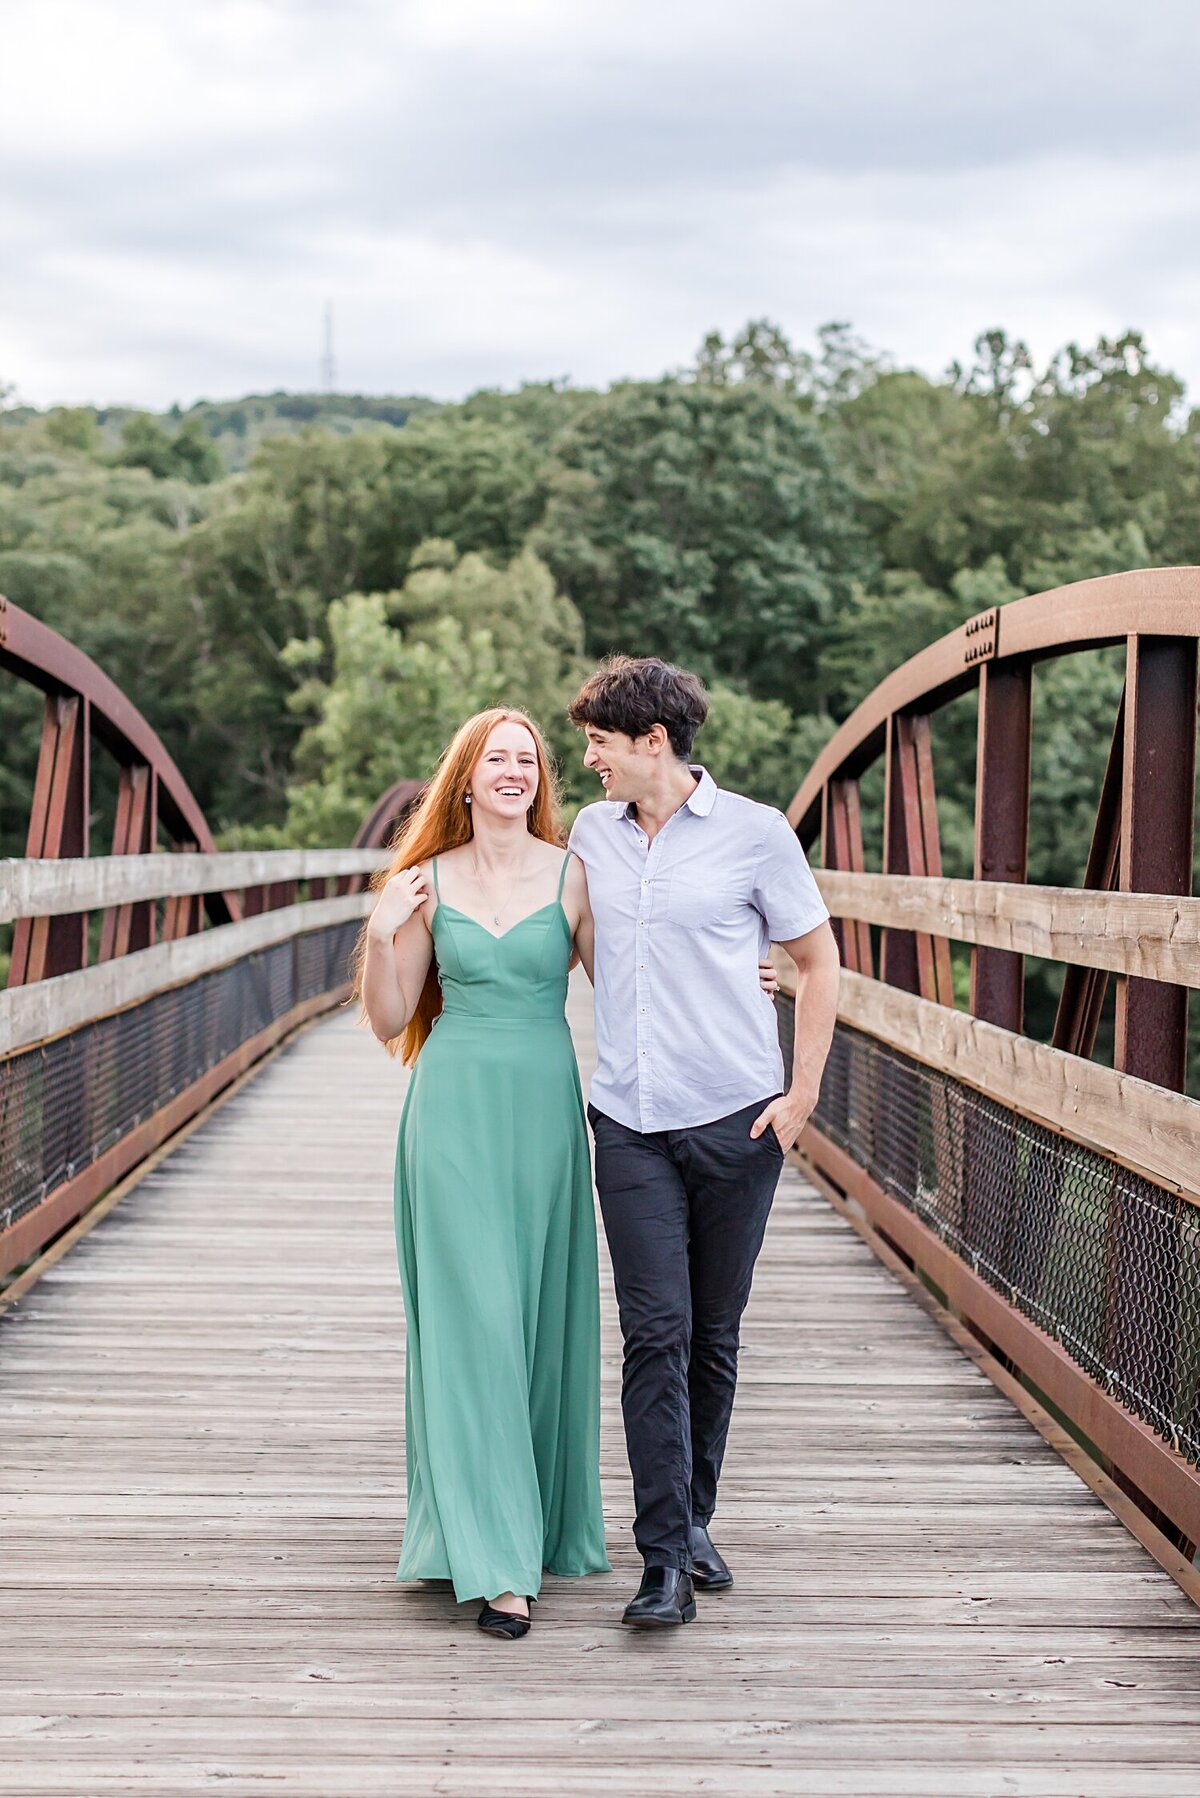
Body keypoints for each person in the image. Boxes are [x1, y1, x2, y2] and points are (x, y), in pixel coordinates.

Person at [355, 704, 787, 1640]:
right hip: (456, 1118)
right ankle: (496, 1559)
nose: (513, 771)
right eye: (495, 758)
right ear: (464, 776)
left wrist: (751, 971)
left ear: (539, 778)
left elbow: (637, 973)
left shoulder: (576, 867)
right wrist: (383, 931)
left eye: (528, 759)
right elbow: (390, 1020)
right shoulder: (424, 880)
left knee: (536, 1327)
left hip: (548, 1121)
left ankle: (534, 1524)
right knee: (474, 1330)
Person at [567, 656, 841, 1629]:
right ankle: (663, 1562)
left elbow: (816, 961)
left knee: (713, 1337)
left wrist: (802, 1091)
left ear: (653, 742)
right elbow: (561, 932)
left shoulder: (757, 835)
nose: (588, 758)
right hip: (629, 1119)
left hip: (736, 1116)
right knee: (656, 1332)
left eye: (599, 740)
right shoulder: (590, 832)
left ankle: (694, 1520)